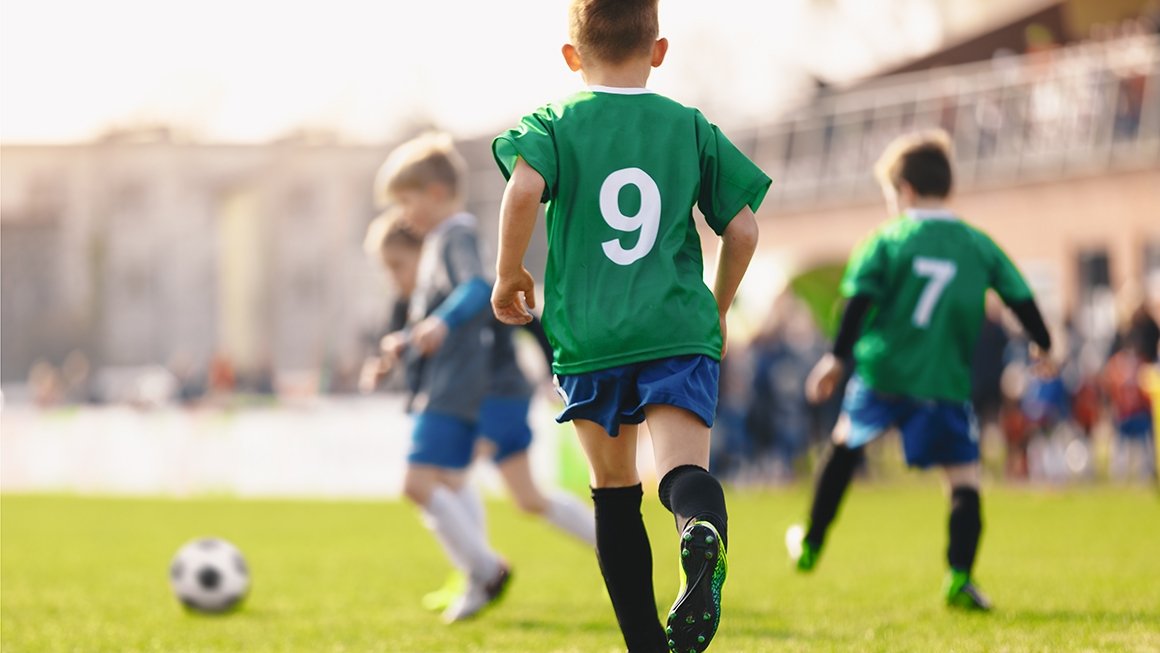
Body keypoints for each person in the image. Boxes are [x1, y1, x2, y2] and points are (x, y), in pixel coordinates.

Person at [490, 2, 769, 650]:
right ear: (659, 49)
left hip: (590, 336)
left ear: (571, 56)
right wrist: (719, 305)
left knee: (615, 492)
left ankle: (646, 645)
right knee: (676, 476)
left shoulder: (555, 123)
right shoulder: (688, 126)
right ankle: (699, 528)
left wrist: (509, 273)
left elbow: (524, 187)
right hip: (675, 329)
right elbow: (745, 226)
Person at [788, 130, 1053, 611]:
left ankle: (810, 542)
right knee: (964, 478)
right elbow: (1018, 294)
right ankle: (960, 576)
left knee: (846, 444)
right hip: (943, 381)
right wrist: (1044, 342)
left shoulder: (888, 238)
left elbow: (858, 300)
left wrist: (836, 358)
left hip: (883, 371)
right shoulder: (976, 243)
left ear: (905, 190)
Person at [360, 207, 597, 615]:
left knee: (445, 479)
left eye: (398, 265)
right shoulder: (418, 303)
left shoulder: (460, 288)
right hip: (491, 401)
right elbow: (411, 341)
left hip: (495, 397)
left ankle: (482, 574)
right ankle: (612, 542)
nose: (393, 277)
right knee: (528, 499)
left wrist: (552, 371)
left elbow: (527, 319)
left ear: (427, 251)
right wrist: (387, 361)